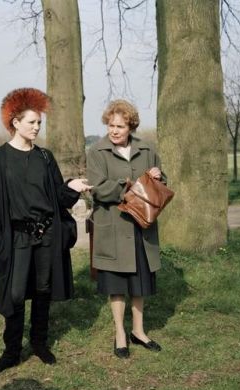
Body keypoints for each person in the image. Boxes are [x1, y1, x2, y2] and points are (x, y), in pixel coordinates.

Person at [0, 88, 91, 375]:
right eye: (31, 122)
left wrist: (72, 188)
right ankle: (11, 352)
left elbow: (56, 196)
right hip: (16, 238)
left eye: (39, 123)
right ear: (15, 122)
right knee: (15, 294)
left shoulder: (45, 157)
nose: (37, 127)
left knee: (43, 290)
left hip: (47, 236)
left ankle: (40, 344)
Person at [86, 99, 164, 358]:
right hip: (114, 230)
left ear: (131, 126)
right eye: (111, 125)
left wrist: (158, 177)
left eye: (120, 126)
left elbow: (161, 185)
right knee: (117, 286)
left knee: (139, 284)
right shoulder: (97, 152)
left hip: (142, 229)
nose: (114, 131)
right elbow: (97, 188)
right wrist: (125, 186)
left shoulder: (146, 149)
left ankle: (139, 332)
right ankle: (120, 333)